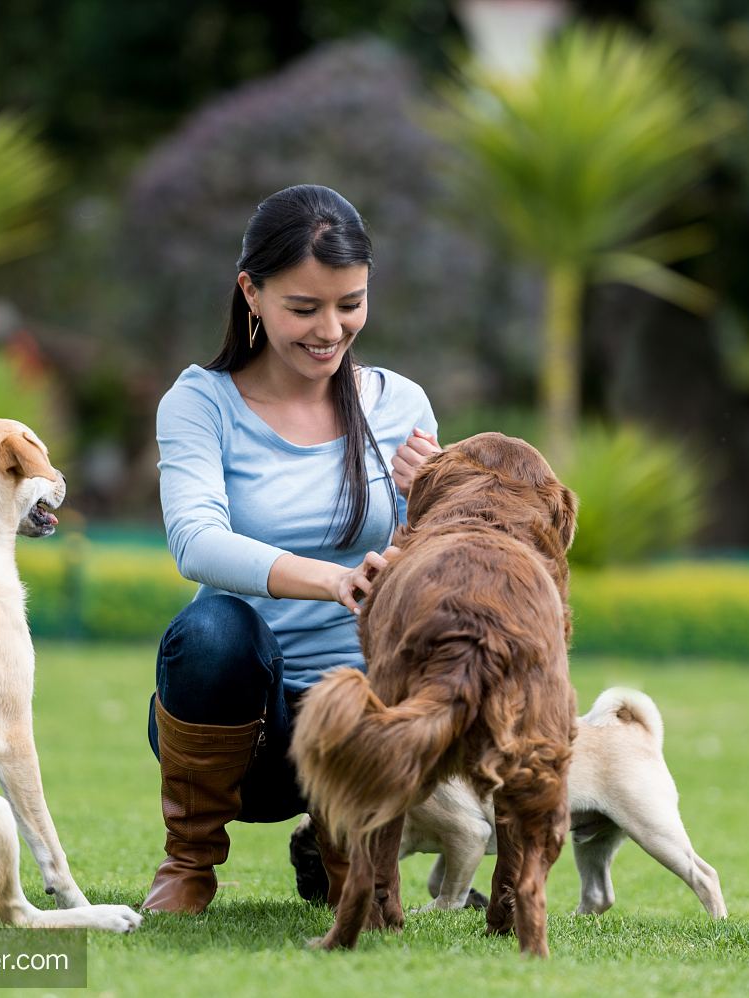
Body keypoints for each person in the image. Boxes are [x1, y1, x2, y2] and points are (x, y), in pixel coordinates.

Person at [143, 184, 442, 914]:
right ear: (251, 291)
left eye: (350, 303)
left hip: (358, 727)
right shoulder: (200, 402)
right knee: (215, 626)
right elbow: (197, 542)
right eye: (303, 308)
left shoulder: (398, 404)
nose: (331, 330)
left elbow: (431, 568)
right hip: (243, 732)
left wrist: (434, 499)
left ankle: (351, 854)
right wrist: (334, 581)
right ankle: (189, 864)